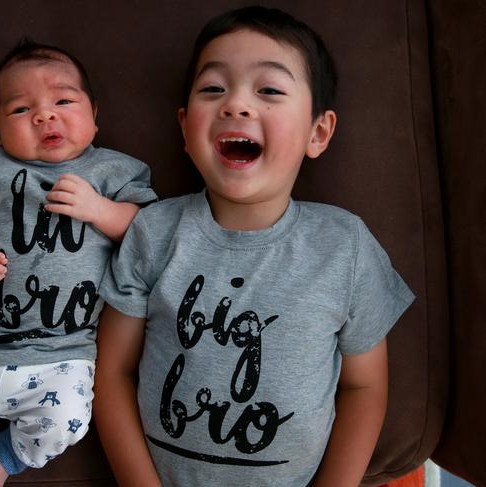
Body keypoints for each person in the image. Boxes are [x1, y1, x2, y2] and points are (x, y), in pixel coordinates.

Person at [93, 6, 414, 487]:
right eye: (213, 89)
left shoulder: (344, 247)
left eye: (269, 90)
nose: (236, 105)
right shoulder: (153, 232)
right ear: (185, 128)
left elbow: (364, 386)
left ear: (318, 132)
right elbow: (112, 374)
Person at [0, 39, 156, 487]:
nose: (45, 115)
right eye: (21, 109)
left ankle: (6, 459)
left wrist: (100, 210)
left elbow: (145, 230)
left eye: (64, 100)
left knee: (68, 420)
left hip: (62, 353)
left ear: (94, 114)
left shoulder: (116, 171)